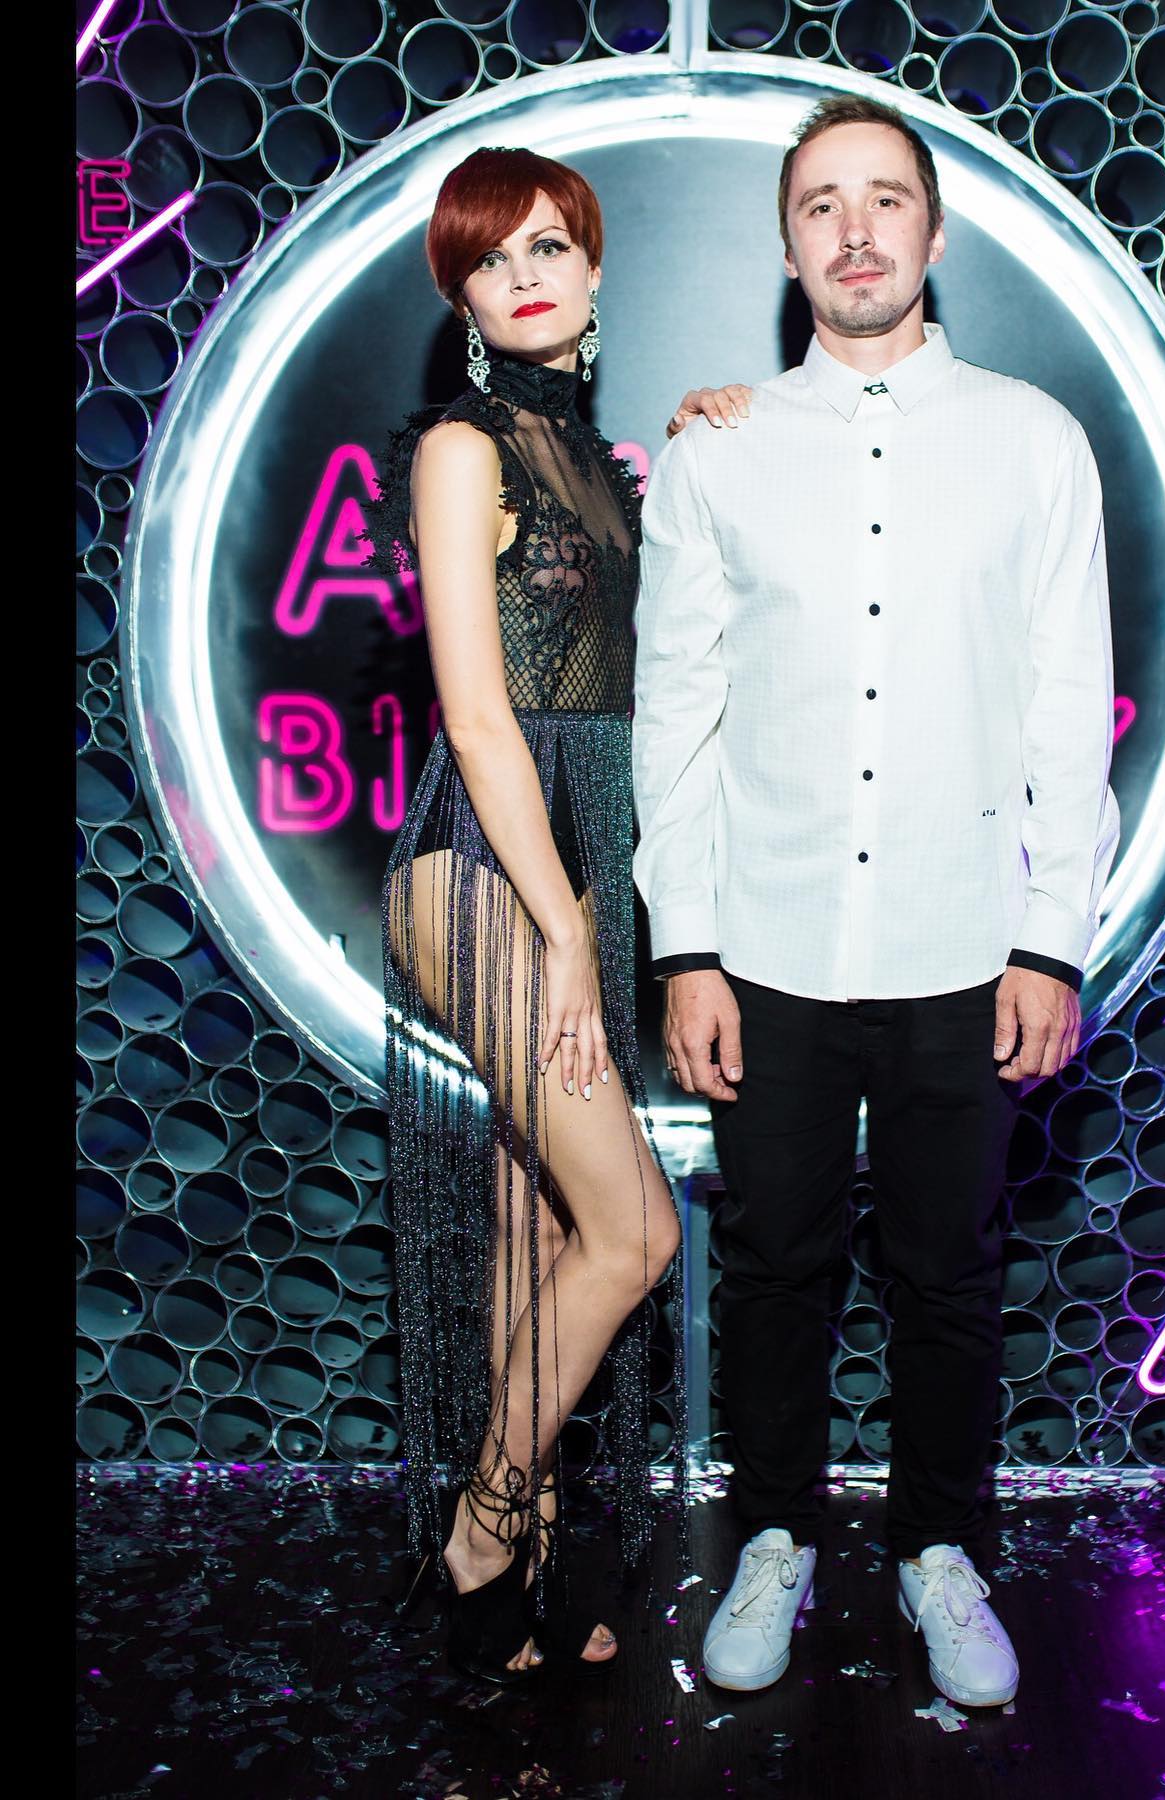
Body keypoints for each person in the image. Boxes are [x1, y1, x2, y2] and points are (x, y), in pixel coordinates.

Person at [633, 94, 1122, 1709]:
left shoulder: (1034, 441)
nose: (856, 230)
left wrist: (1051, 939)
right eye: (822, 205)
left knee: (948, 1274)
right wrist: (686, 946)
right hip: (766, 939)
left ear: (932, 230)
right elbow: (676, 714)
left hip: (963, 938)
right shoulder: (716, 452)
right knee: (773, 1266)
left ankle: (940, 1554)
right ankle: (772, 1536)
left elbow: (1070, 708)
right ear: (787, 247)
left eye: (885, 199)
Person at [362, 146, 751, 1682]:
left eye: (547, 246)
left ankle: (513, 1563)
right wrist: (568, 932)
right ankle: (479, 1531)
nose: (522, 275)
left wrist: (716, 433)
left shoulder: (588, 452)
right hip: (486, 873)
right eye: (489, 257)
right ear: (460, 297)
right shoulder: (463, 449)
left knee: (547, 1229)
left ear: (593, 269)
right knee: (636, 1230)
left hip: (574, 872)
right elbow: (477, 717)